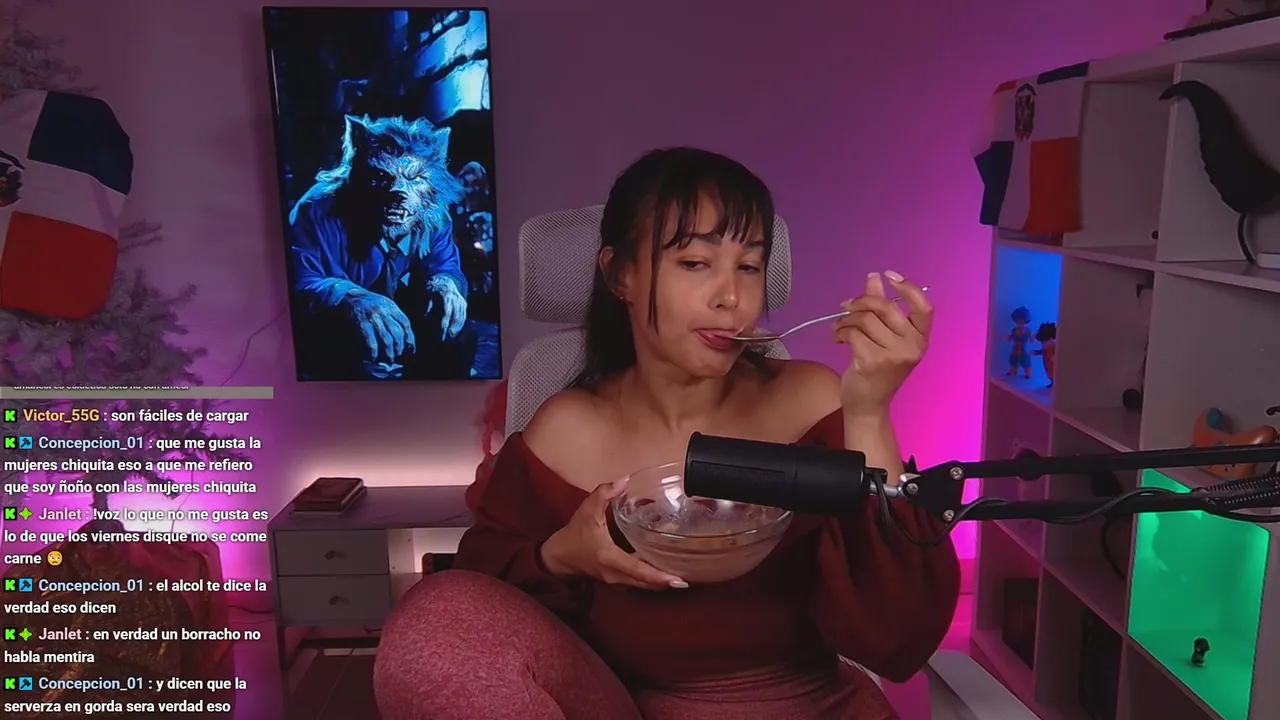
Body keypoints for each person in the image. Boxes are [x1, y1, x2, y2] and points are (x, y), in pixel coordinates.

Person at [373, 148, 960, 720]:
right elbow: (480, 606)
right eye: (695, 263)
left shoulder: (811, 400)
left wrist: (869, 411)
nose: (731, 299)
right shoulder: (565, 433)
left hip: (811, 704)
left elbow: (901, 636)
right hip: (620, 703)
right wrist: (563, 556)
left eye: (749, 266)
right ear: (621, 275)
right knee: (433, 622)